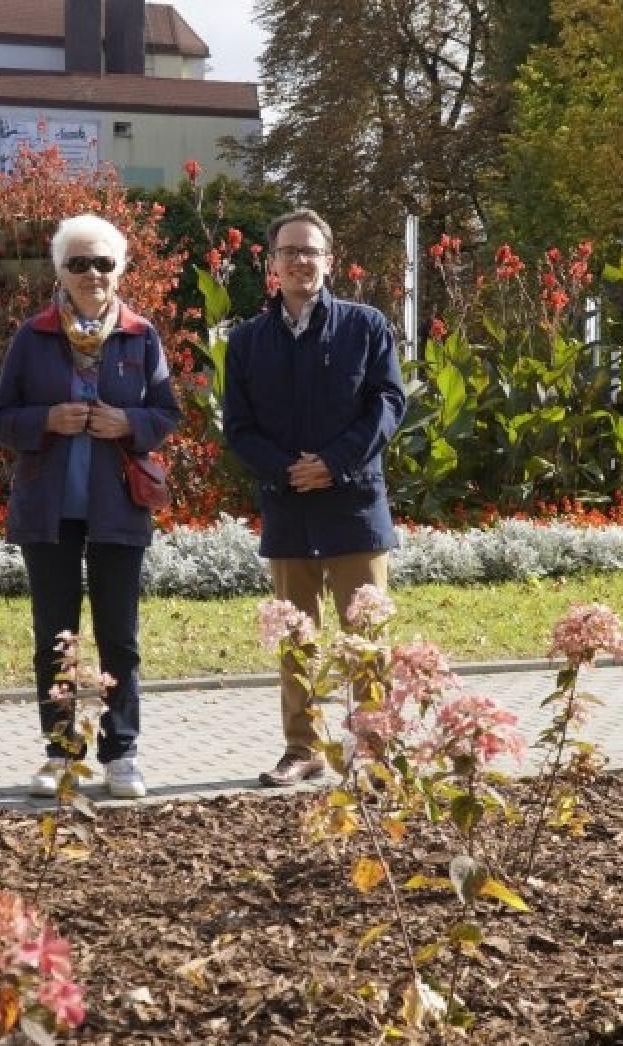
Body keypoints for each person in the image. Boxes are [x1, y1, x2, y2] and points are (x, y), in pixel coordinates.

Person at [0, 213, 180, 800]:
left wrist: (131, 422)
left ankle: (121, 752)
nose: (92, 273)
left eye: (103, 262)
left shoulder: (141, 335)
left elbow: (167, 413)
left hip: (118, 508)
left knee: (120, 638)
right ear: (61, 272)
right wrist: (45, 420)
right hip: (49, 511)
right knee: (55, 637)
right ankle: (61, 751)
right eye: (79, 263)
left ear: (119, 269)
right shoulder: (33, 335)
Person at [222, 208, 406, 787]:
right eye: (289, 251)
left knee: (365, 636)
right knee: (294, 634)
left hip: (354, 503)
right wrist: (287, 469)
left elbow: (388, 404)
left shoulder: (366, 326)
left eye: (311, 251)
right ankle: (304, 747)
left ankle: (373, 749)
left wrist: (333, 463)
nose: (301, 261)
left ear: (329, 259)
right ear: (271, 264)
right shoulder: (249, 341)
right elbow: (240, 426)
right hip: (289, 505)